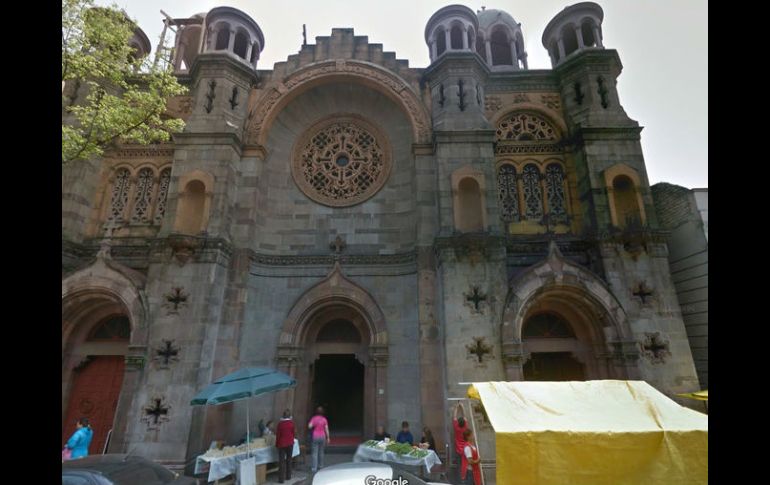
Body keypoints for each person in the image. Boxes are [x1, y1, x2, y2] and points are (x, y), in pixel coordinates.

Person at [308, 406, 330, 473]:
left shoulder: (314, 418)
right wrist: (328, 438)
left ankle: (314, 468)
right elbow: (326, 429)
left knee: (315, 453)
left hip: (315, 436)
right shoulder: (324, 419)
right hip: (322, 436)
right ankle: (321, 466)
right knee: (321, 452)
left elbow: (309, 426)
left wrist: (312, 424)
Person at [275, 409, 295, 484]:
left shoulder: (280, 424)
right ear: (289, 416)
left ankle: (281, 479)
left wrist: (277, 444)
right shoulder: (291, 423)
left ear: (283, 415)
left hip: (282, 444)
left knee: (281, 461)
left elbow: (278, 435)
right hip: (290, 443)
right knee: (289, 460)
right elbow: (293, 433)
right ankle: (288, 476)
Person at [453, 403, 469, 484]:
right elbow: (465, 416)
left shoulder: (456, 427)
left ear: (458, 423)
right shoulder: (465, 427)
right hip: (465, 450)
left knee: (459, 465)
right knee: (465, 465)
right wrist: (463, 407)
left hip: (458, 450)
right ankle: (464, 479)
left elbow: (454, 417)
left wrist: (456, 407)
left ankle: (460, 480)